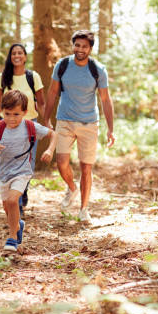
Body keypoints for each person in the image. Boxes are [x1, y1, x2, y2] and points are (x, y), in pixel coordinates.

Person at [43, 30, 115, 224]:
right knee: (61, 162)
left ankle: (84, 210)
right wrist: (46, 119)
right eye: (77, 45)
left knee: (86, 168)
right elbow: (51, 93)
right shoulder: (63, 65)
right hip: (64, 120)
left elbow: (106, 100)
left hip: (89, 124)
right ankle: (71, 188)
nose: (80, 49)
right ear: (73, 45)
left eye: (84, 46)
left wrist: (110, 129)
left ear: (90, 48)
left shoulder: (98, 70)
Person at [0, 90, 56, 252]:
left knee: (13, 201)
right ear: (1, 112)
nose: (11, 118)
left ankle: (12, 238)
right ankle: (17, 224)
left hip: (22, 172)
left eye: (16, 114)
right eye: (7, 114)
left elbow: (53, 134)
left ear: (25, 113)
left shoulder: (30, 126)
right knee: (7, 208)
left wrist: (49, 150)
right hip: (3, 175)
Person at [0, 43, 46, 215]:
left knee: (27, 164)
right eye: (14, 53)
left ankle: (20, 200)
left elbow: (42, 102)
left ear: (25, 56)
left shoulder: (33, 77)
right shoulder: (3, 77)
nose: (17, 56)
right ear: (10, 57)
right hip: (7, 126)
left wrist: (46, 124)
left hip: (29, 125)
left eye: (20, 53)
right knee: (8, 162)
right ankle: (13, 199)